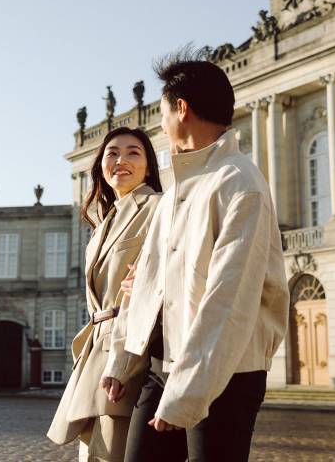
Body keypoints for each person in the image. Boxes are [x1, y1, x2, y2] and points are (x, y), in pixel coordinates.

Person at [101, 46, 290, 462]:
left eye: (162, 112)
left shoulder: (240, 182)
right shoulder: (175, 192)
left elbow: (230, 299)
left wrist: (188, 393)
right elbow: (146, 285)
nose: (160, 123)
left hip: (225, 374)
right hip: (162, 367)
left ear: (181, 109)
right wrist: (123, 360)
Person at [48, 127, 163, 462]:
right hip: (96, 351)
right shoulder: (102, 223)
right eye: (112, 153)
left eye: (133, 153)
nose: (120, 160)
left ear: (149, 167)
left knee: (111, 452)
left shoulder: (157, 208)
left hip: (128, 355)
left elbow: (146, 294)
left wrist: (123, 364)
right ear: (100, 165)